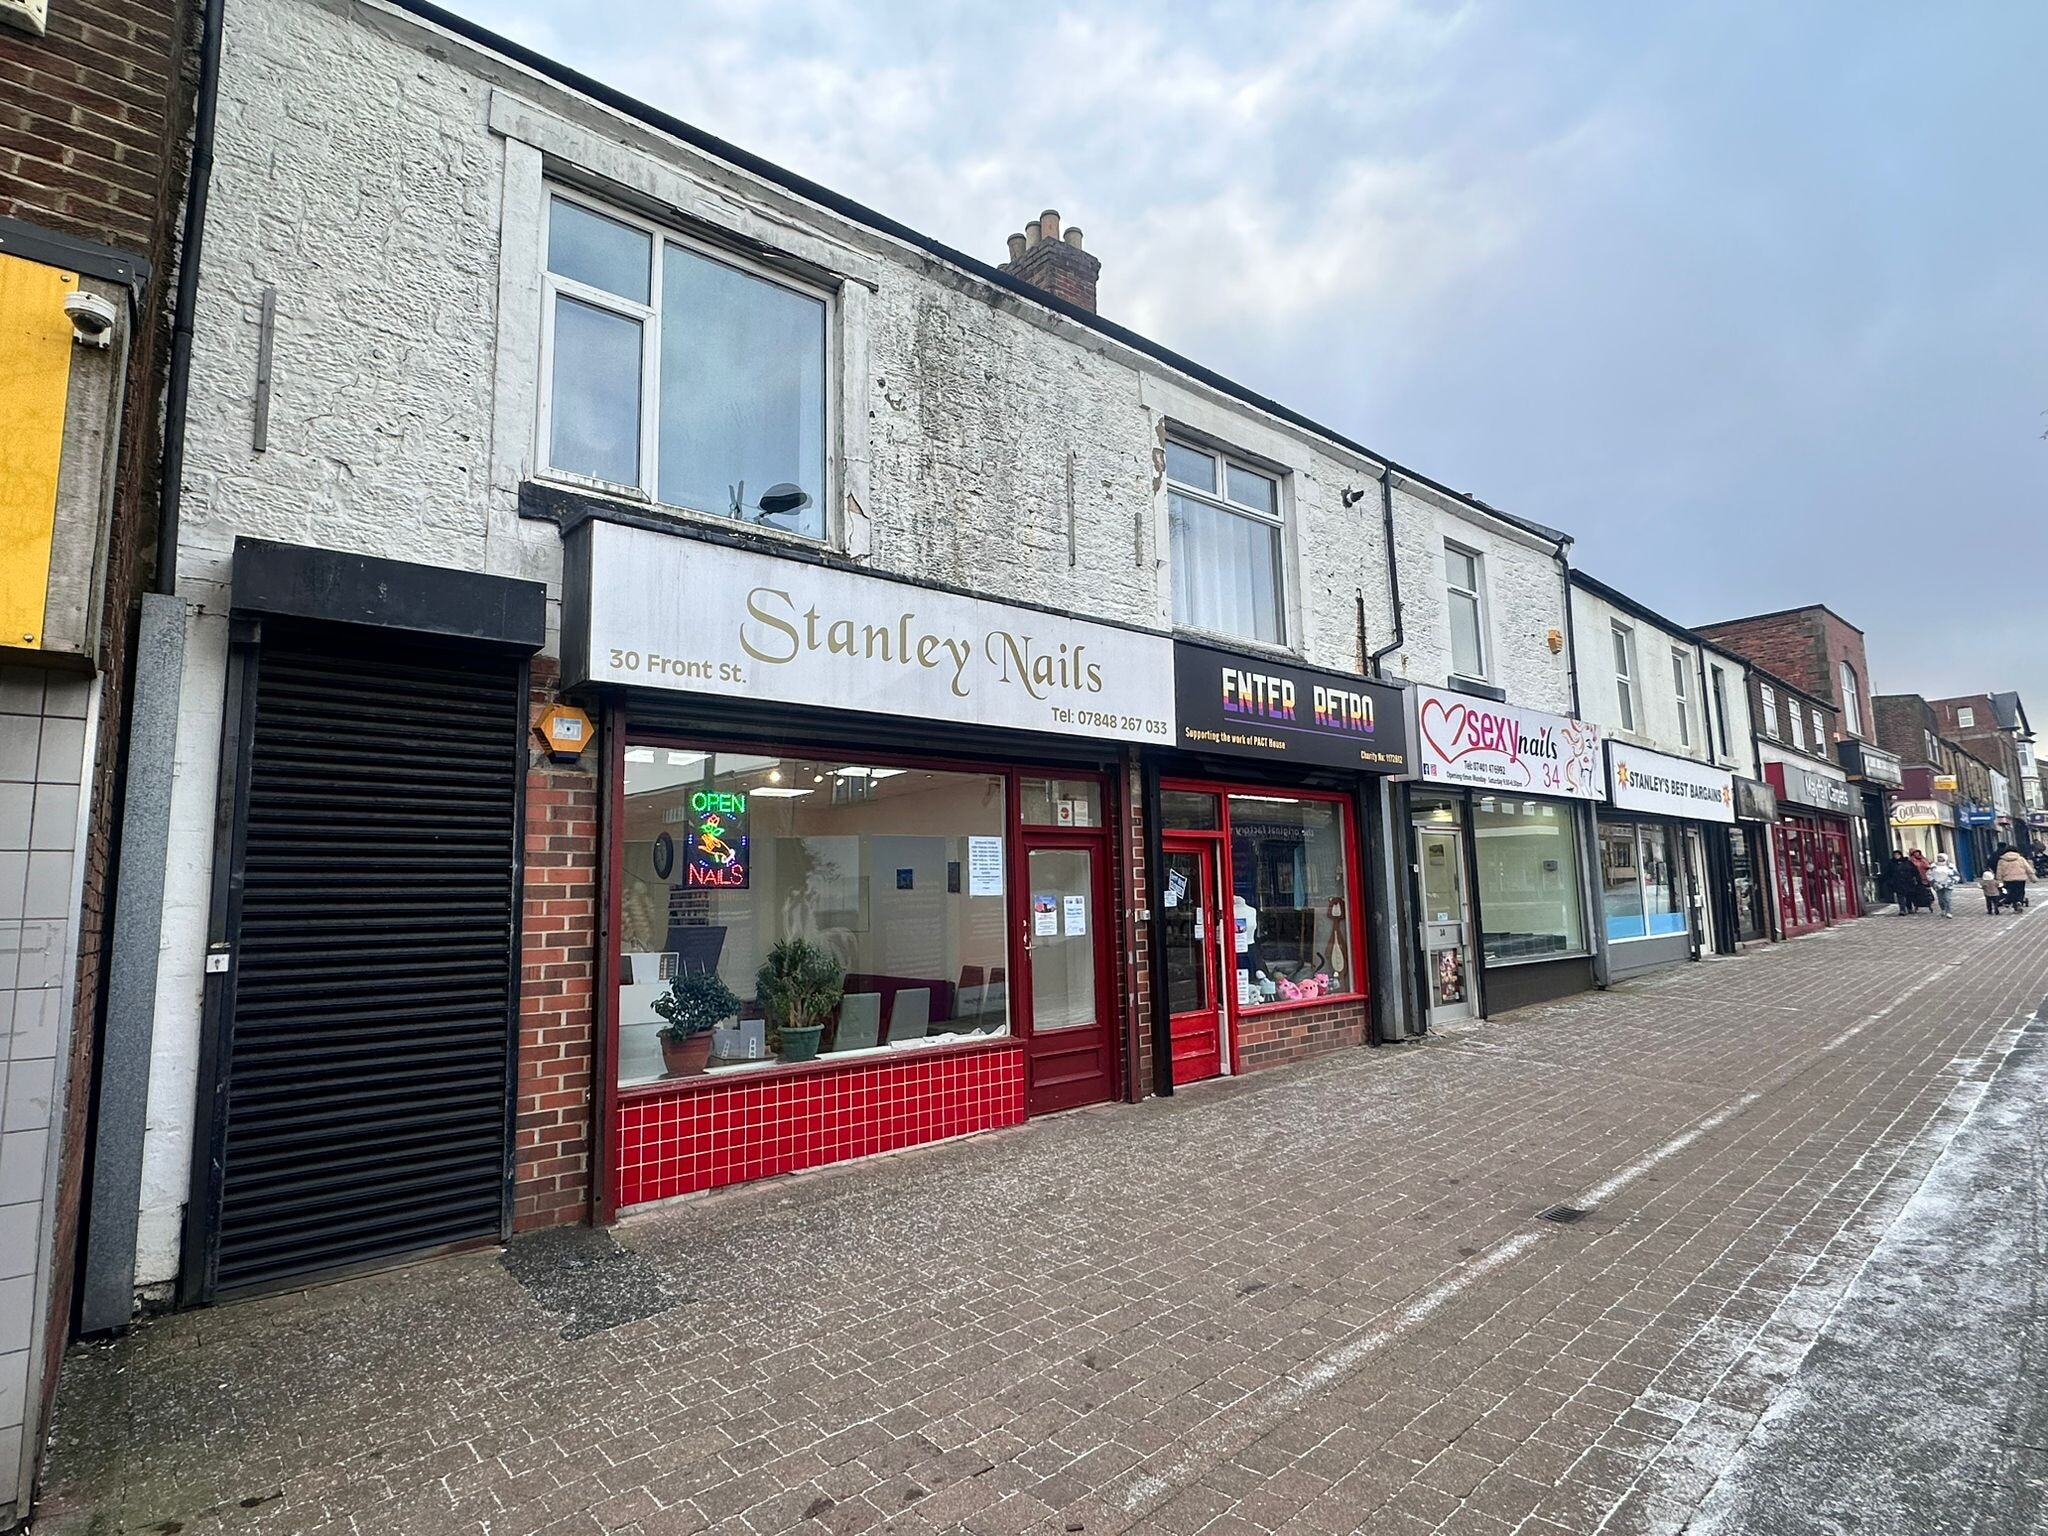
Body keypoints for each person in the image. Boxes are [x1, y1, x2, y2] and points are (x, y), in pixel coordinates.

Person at [1885, 849, 1924, 915]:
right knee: (1900, 896)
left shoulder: (1907, 862)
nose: (1896, 856)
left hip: (1908, 882)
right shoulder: (1891, 863)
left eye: (1898, 855)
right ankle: (1902, 910)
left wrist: (1917, 879)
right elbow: (1888, 873)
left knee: (1909, 896)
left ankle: (1909, 908)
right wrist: (1890, 881)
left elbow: (1914, 871)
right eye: (1895, 855)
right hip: (1897, 882)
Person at [1995, 844, 2033, 912]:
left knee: (2011, 891)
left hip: (2008, 879)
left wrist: (1999, 881)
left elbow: (1999, 871)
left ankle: (2013, 902)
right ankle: (2019, 901)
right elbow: (2028, 868)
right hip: (2021, 878)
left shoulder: (2002, 860)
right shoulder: (2021, 858)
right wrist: (2032, 877)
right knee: (2020, 891)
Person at [1926, 853, 1959, 918]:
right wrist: (1934, 882)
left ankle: (1948, 911)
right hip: (1938, 885)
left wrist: (1951, 882)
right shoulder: (1933, 866)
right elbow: (1929, 874)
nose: (1939, 859)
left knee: (1947, 898)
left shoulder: (1950, 866)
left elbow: (1956, 875)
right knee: (1940, 899)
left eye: (1941, 857)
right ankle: (1943, 909)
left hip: (1948, 885)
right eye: (1938, 857)